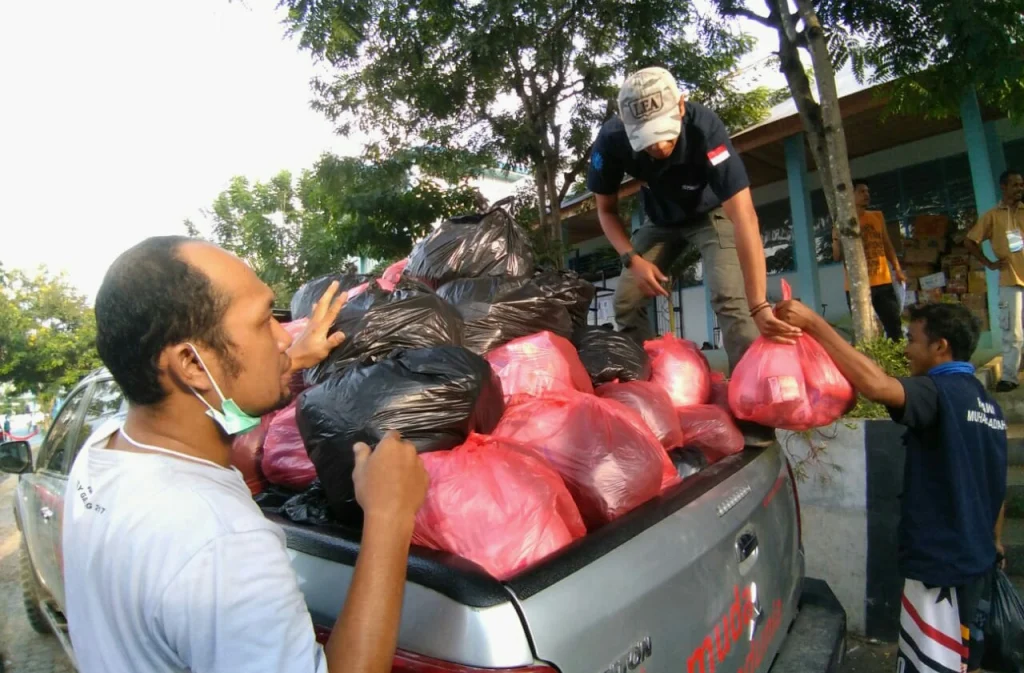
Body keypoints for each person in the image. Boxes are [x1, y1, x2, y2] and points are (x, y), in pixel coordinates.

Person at [63, 236, 429, 673]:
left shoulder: (104, 449)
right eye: (262, 323)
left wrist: (290, 361)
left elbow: (211, 394)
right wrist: (389, 518)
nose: (282, 335)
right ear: (193, 365)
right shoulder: (221, 542)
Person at [775, 299, 1007, 673]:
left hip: (940, 569)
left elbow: (878, 386)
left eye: (912, 339)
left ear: (940, 346)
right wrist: (995, 542)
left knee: (932, 662)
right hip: (977, 562)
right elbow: (997, 483)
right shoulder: (987, 406)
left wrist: (815, 324)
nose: (906, 348)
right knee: (966, 660)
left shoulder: (938, 392)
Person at [587, 66, 798, 442]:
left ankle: (754, 413)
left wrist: (759, 305)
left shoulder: (705, 129)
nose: (658, 147)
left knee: (730, 299)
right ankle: (649, 393)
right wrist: (632, 260)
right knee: (625, 300)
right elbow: (606, 211)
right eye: (647, 140)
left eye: (664, 135)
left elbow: (744, 216)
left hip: (709, 212)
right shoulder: (612, 139)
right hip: (661, 220)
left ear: (681, 107)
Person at [965, 169, 1024, 392]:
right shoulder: (992, 216)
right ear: (1004, 187)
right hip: (1010, 280)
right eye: (1015, 185)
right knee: (1013, 332)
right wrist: (988, 263)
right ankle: (1009, 376)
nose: (1020, 189)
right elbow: (970, 241)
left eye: (1022, 185)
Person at [832, 180, 906, 341]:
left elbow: (887, 245)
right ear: (849, 196)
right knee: (865, 332)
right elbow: (837, 256)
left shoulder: (877, 216)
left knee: (894, 327)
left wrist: (897, 269)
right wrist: (836, 239)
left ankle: (898, 363)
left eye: (867, 192)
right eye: (861, 192)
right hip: (856, 287)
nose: (867, 195)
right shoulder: (841, 223)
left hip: (883, 282)